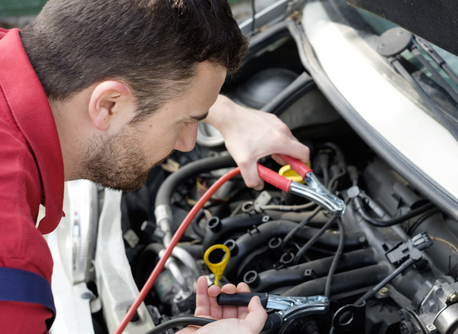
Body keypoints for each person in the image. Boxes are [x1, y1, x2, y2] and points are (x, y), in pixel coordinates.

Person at [0, 0, 309, 332]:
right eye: (185, 123)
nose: (189, 143)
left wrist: (223, 112)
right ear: (107, 106)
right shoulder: (11, 265)